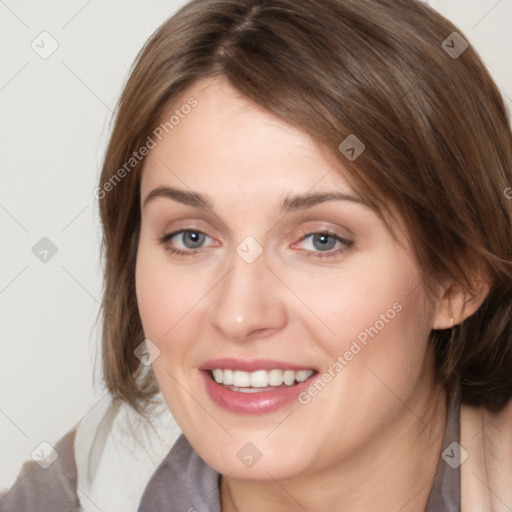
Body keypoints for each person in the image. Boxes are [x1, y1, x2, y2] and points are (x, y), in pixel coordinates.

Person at [2, 0, 512, 511]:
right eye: (191, 238)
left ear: (458, 277)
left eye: (322, 240)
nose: (239, 314)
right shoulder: (83, 488)